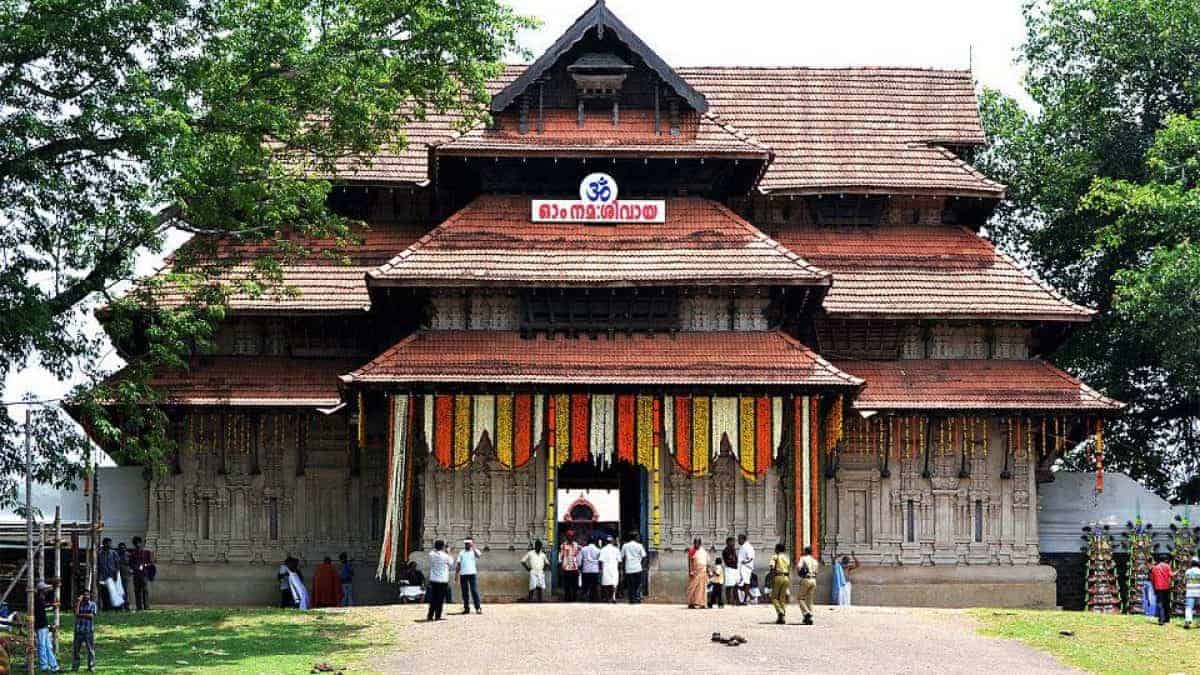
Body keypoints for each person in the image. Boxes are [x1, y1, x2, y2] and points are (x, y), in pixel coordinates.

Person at [34, 582, 58, 673]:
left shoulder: (40, 599)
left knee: (47, 646)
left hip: (44, 626)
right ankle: (44, 666)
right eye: (45, 589)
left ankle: (53, 666)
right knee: (42, 646)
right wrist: (52, 605)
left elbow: (45, 607)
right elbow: (40, 613)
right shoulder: (38, 600)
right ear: (42, 591)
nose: (47, 591)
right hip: (40, 626)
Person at [427, 540, 452, 621]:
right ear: (443, 547)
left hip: (433, 579)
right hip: (442, 580)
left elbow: (433, 552)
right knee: (440, 599)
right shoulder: (445, 556)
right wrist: (448, 552)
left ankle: (430, 615)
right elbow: (451, 562)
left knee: (433, 598)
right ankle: (438, 616)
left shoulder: (431, 554)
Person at [71, 590, 97, 672]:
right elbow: (75, 612)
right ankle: (75, 667)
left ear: (90, 596)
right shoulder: (79, 604)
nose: (86, 596)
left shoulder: (93, 604)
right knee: (76, 650)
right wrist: (78, 601)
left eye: (87, 595)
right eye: (84, 595)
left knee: (90, 650)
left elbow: (91, 616)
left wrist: (80, 615)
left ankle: (91, 667)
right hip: (78, 631)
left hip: (88, 631)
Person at [456, 538, 483, 615]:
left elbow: (478, 556)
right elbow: (458, 564)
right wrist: (456, 575)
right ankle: (466, 608)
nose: (467, 545)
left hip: (472, 574)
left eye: (468, 544)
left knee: (474, 591)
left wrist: (473, 547)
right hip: (463, 574)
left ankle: (478, 607)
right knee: (464, 592)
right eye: (466, 544)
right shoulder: (461, 552)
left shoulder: (474, 551)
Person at [620, 531, 647, 604]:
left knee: (630, 585)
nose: (638, 538)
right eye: (638, 537)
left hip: (629, 568)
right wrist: (642, 566)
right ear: (635, 537)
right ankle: (636, 598)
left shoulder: (625, 546)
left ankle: (631, 599)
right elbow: (644, 557)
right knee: (637, 584)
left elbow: (622, 557)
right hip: (638, 568)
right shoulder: (639, 546)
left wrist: (622, 568)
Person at [796, 545, 820, 625]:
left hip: (806, 579)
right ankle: (809, 618)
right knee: (809, 600)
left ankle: (807, 613)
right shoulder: (815, 561)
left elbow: (799, 567)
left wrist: (800, 573)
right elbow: (816, 572)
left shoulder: (803, 558)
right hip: (814, 580)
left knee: (800, 598)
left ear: (805, 551)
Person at [768, 543, 791, 624]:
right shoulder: (787, 558)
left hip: (778, 576)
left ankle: (780, 611)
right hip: (786, 577)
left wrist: (771, 578)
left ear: (777, 549)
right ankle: (782, 617)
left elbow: (772, 567)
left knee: (774, 597)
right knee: (782, 598)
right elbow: (789, 568)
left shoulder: (775, 556)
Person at [130, 536, 154, 611]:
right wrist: (135, 567)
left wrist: (144, 565)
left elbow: (151, 563)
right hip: (136, 574)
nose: (137, 545)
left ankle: (146, 606)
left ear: (141, 543)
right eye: (136, 543)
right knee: (137, 591)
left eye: (138, 543)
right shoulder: (133, 553)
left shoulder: (147, 552)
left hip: (144, 574)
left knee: (145, 591)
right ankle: (139, 607)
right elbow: (130, 563)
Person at [96, 538, 120, 611]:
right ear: (104, 544)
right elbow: (98, 565)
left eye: (110, 543)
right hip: (103, 577)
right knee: (104, 592)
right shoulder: (99, 554)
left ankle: (113, 608)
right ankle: (105, 608)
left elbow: (117, 565)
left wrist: (116, 575)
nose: (109, 545)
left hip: (112, 576)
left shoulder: (114, 553)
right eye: (107, 543)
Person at [1151, 553, 1174, 625]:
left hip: (1158, 587)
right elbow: (1171, 575)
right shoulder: (1167, 566)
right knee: (1166, 603)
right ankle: (1167, 619)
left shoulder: (1155, 568)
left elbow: (1152, 579)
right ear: (1166, 560)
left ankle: (1161, 619)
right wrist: (1176, 572)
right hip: (1166, 587)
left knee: (1160, 603)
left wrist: (1154, 588)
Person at [578, 537, 602, 603]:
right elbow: (600, 560)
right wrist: (600, 569)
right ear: (594, 542)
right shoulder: (598, 550)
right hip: (595, 570)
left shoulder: (583, 549)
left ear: (587, 542)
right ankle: (594, 599)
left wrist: (580, 567)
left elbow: (579, 561)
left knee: (585, 586)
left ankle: (584, 599)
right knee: (594, 587)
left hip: (586, 570)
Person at [686, 537, 709, 609]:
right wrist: (690, 571)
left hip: (703, 571)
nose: (696, 544)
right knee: (692, 588)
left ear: (700, 543)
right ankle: (691, 603)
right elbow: (689, 562)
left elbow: (707, 561)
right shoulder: (692, 551)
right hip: (695, 572)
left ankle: (702, 603)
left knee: (702, 588)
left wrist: (708, 570)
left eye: (698, 543)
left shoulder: (703, 551)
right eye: (695, 543)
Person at [559, 532, 581, 602]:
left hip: (574, 568)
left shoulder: (576, 545)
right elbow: (560, 556)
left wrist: (579, 566)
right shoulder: (563, 545)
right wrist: (561, 565)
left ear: (573, 537)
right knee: (567, 586)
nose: (570, 537)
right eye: (569, 536)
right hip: (566, 568)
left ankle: (574, 598)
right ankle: (567, 598)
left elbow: (578, 556)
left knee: (575, 585)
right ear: (566, 537)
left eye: (571, 536)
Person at [599, 536, 621, 603]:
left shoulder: (603, 549)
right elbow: (619, 560)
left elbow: (601, 560)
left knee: (606, 584)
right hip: (614, 568)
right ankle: (613, 597)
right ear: (612, 541)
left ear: (606, 542)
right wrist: (620, 569)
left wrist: (600, 569)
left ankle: (607, 598)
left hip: (606, 568)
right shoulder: (616, 549)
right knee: (614, 583)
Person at [736, 534, 755, 605]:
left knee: (745, 583)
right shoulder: (743, 547)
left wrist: (745, 562)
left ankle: (745, 600)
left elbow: (750, 557)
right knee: (740, 584)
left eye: (739, 539)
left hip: (746, 568)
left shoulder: (748, 547)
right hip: (741, 568)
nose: (738, 541)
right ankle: (750, 596)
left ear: (743, 539)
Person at [721, 537, 739, 607]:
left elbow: (734, 559)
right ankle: (728, 600)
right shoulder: (726, 550)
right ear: (728, 542)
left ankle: (735, 600)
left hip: (734, 569)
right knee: (729, 586)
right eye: (732, 542)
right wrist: (733, 559)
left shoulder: (733, 550)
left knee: (735, 585)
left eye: (733, 542)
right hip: (729, 569)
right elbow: (730, 560)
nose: (733, 543)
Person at [116, 543, 134, 612]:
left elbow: (132, 563)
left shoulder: (128, 555)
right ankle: (120, 607)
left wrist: (131, 570)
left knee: (125, 591)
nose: (122, 549)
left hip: (126, 574)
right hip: (118, 575)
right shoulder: (116, 555)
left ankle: (127, 606)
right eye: (121, 548)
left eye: (124, 548)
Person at [1185, 558, 1200, 629]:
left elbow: (1185, 581)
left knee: (1189, 607)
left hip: (1190, 592)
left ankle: (1188, 621)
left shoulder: (1187, 571)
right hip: (1199, 592)